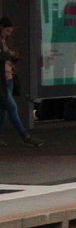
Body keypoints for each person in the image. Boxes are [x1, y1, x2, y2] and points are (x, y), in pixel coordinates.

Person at [0, 17, 43, 147]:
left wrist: (12, 56)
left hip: (8, 78)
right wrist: (9, 54)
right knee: (12, 107)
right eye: (7, 31)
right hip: (1, 81)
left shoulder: (4, 41)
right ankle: (25, 136)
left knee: (3, 109)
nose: (8, 34)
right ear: (1, 27)